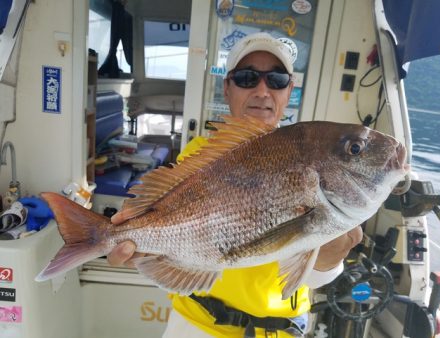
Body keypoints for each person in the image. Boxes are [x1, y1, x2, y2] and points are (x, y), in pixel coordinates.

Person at [108, 33, 363, 337]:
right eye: (246, 78)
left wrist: (331, 257)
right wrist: (133, 245)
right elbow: (177, 237)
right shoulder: (202, 156)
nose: (262, 91)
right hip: (198, 326)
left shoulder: (312, 160)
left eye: (277, 80)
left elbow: (312, 279)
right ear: (227, 88)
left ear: (289, 90)